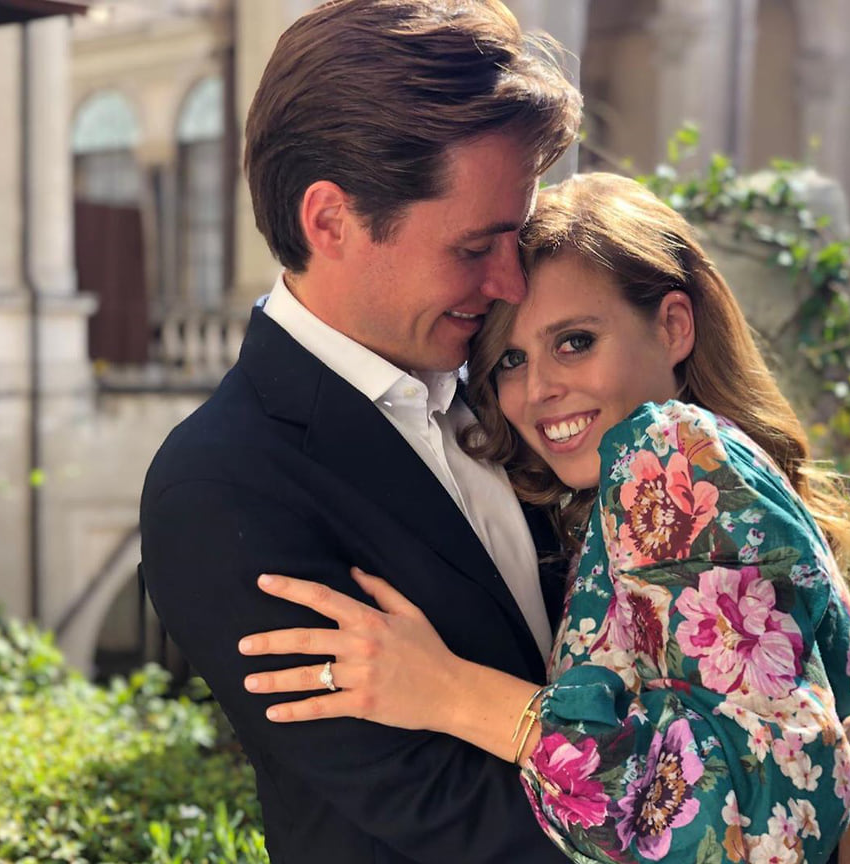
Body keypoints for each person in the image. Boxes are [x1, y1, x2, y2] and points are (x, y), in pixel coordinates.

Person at [238, 173, 850, 863]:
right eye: (510, 359)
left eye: (576, 342)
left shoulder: (668, 449)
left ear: (673, 326)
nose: (537, 390)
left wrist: (454, 694)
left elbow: (752, 822)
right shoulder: (632, 493)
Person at [139, 1, 582, 862]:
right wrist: (722, 827)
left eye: (518, 238)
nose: (513, 282)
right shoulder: (218, 486)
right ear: (330, 221)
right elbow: (449, 816)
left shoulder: (522, 381)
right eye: (475, 247)